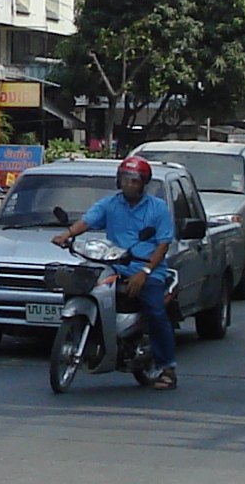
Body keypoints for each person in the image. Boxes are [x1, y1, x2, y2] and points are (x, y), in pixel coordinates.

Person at [57, 155, 179, 389]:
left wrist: (144, 272)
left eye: (134, 181)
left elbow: (163, 244)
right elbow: (87, 221)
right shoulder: (110, 204)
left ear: (143, 183)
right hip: (113, 265)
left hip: (147, 269)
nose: (129, 185)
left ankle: (167, 368)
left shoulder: (158, 208)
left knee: (155, 312)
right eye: (125, 180)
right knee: (79, 286)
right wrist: (68, 235)